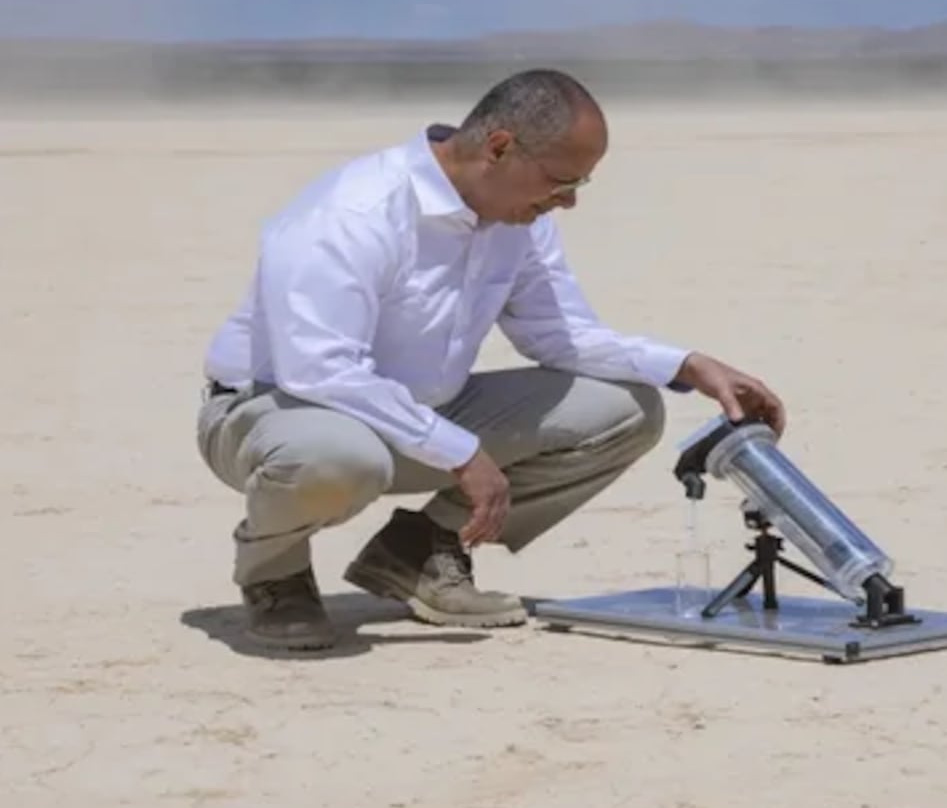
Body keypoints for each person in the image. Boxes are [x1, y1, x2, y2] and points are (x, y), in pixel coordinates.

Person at [195, 68, 785, 651]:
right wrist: (458, 449)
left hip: (419, 416)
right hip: (278, 412)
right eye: (561, 181)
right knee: (337, 457)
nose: (570, 202)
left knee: (627, 407)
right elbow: (319, 369)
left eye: (582, 185)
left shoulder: (519, 217)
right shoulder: (354, 211)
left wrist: (689, 365)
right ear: (500, 147)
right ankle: (274, 571)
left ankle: (420, 553)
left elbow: (558, 335)